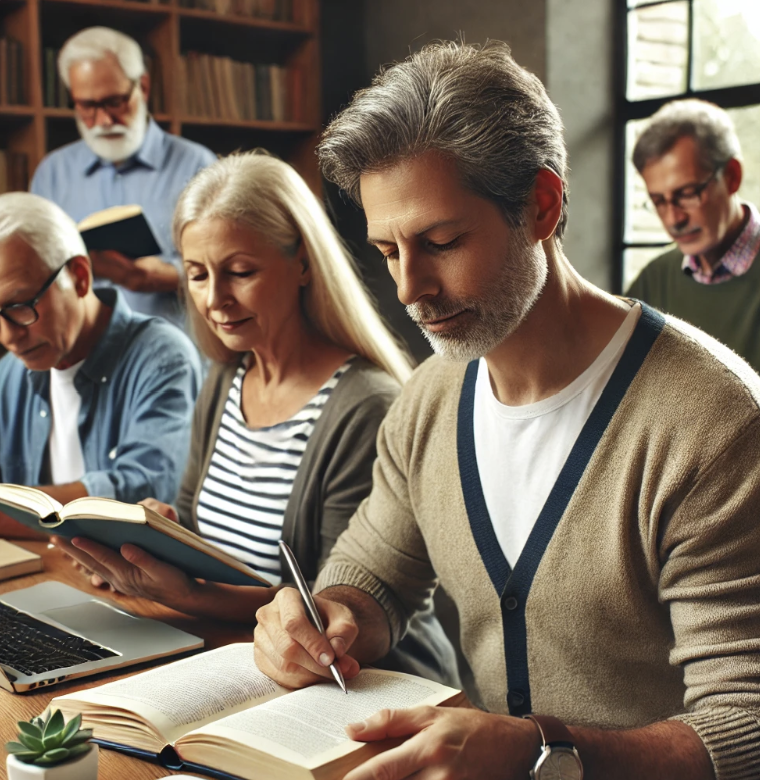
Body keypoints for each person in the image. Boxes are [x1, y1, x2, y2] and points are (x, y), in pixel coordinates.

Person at [252, 41, 760, 780]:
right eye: (388, 251)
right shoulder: (428, 398)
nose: (409, 289)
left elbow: (744, 727)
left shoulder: (714, 427)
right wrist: (329, 616)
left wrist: (542, 752)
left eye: (441, 241)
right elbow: (373, 572)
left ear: (542, 207)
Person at [54, 152, 460, 685]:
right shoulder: (225, 379)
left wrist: (186, 594)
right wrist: (157, 535)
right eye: (197, 275)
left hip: (366, 683)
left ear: (303, 263)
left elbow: (334, 609)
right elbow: (198, 525)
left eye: (240, 272)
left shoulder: (365, 405)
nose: (215, 300)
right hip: (234, 654)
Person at [0, 192, 201, 538]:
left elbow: (143, 494)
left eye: (19, 306)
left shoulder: (163, 358)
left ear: (79, 276)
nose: (8, 336)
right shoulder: (11, 372)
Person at [31, 27, 217, 328]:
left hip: (173, 349)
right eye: (87, 106)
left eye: (115, 102)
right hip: (85, 354)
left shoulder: (197, 164)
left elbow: (222, 265)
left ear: (142, 87)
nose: (103, 121)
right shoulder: (52, 173)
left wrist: (163, 278)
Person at [626, 99, 760, 370]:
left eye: (687, 194)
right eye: (659, 201)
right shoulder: (653, 281)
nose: (674, 219)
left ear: (732, 177)